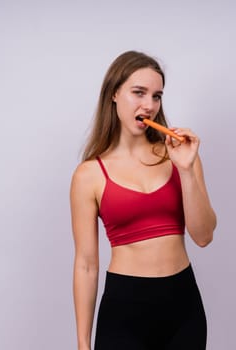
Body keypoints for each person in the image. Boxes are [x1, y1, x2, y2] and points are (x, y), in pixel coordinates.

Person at [70, 50, 217, 350]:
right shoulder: (89, 175)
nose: (149, 106)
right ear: (114, 94)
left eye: (157, 96)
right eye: (139, 93)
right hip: (125, 310)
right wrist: (83, 344)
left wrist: (187, 171)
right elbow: (86, 265)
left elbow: (203, 236)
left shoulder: (180, 156)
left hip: (183, 307)